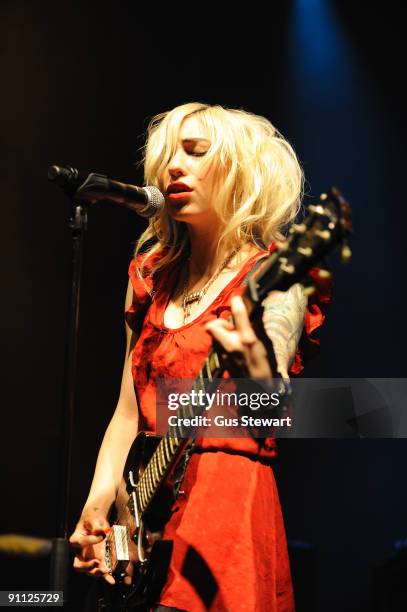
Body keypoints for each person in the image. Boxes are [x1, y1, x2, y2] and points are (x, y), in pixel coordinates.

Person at [69, 102, 327, 611]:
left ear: (239, 169)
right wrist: (100, 501)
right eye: (167, 157)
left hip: (224, 506)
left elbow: (270, 401)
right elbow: (129, 410)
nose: (173, 168)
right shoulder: (149, 276)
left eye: (196, 152)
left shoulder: (278, 275)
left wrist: (256, 365)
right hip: (143, 520)